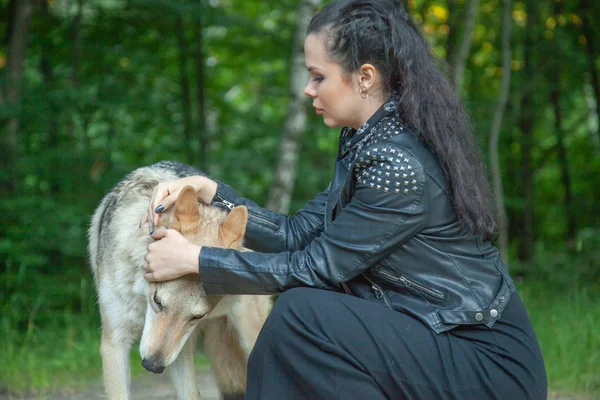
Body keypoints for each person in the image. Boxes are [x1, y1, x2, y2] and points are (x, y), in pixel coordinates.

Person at [142, 0, 547, 398]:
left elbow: (316, 268)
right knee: (303, 317)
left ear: (364, 77)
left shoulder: (397, 165)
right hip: (433, 340)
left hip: (486, 366)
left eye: (318, 76)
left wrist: (195, 260)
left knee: (303, 312)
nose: (308, 88)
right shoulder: (368, 143)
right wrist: (213, 192)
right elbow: (298, 234)